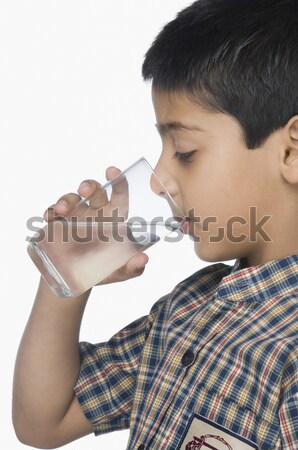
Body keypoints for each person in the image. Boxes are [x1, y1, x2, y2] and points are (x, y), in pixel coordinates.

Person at [12, 0, 298, 449]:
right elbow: (43, 422)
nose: (160, 180)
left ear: (291, 151)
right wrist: (65, 276)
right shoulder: (188, 308)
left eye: (184, 152)